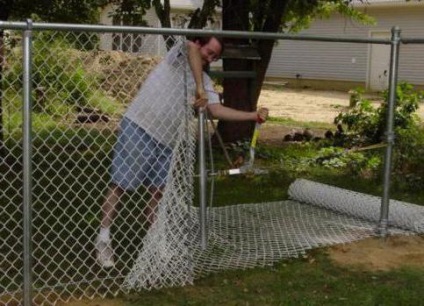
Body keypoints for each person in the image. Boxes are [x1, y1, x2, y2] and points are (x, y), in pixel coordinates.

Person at [95, 35, 269, 268]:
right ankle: (103, 238)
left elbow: (215, 110)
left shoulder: (206, 81)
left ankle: (157, 244)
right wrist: (198, 89)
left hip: (167, 141)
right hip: (139, 126)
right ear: (199, 45)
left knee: (158, 193)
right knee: (121, 185)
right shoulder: (176, 57)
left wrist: (252, 115)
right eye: (209, 51)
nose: (211, 58)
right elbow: (190, 49)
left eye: (216, 56)